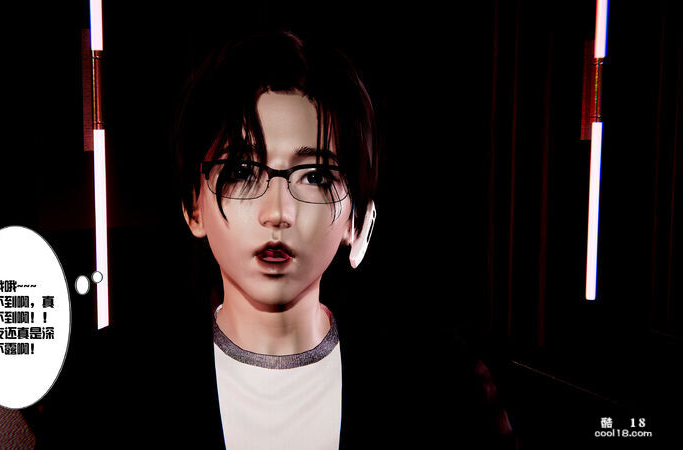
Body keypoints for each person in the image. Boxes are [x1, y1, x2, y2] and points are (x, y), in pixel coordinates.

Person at [171, 30, 515, 449]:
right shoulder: (114, 380)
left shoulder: (443, 385)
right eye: (242, 171)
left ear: (357, 218)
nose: (278, 212)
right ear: (193, 206)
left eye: (316, 176)